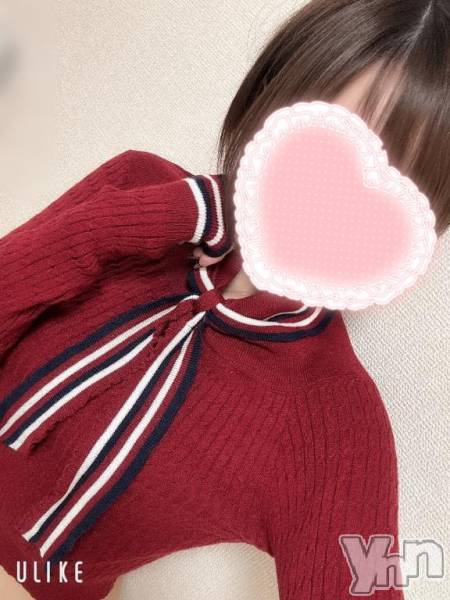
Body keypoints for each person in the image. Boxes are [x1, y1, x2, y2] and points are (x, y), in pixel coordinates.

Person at [0, 1, 448, 599]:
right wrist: (151, 218)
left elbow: (363, 582)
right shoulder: (135, 186)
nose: (331, 207)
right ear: (269, 97)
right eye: (321, 147)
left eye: (390, 193)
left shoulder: (334, 420)